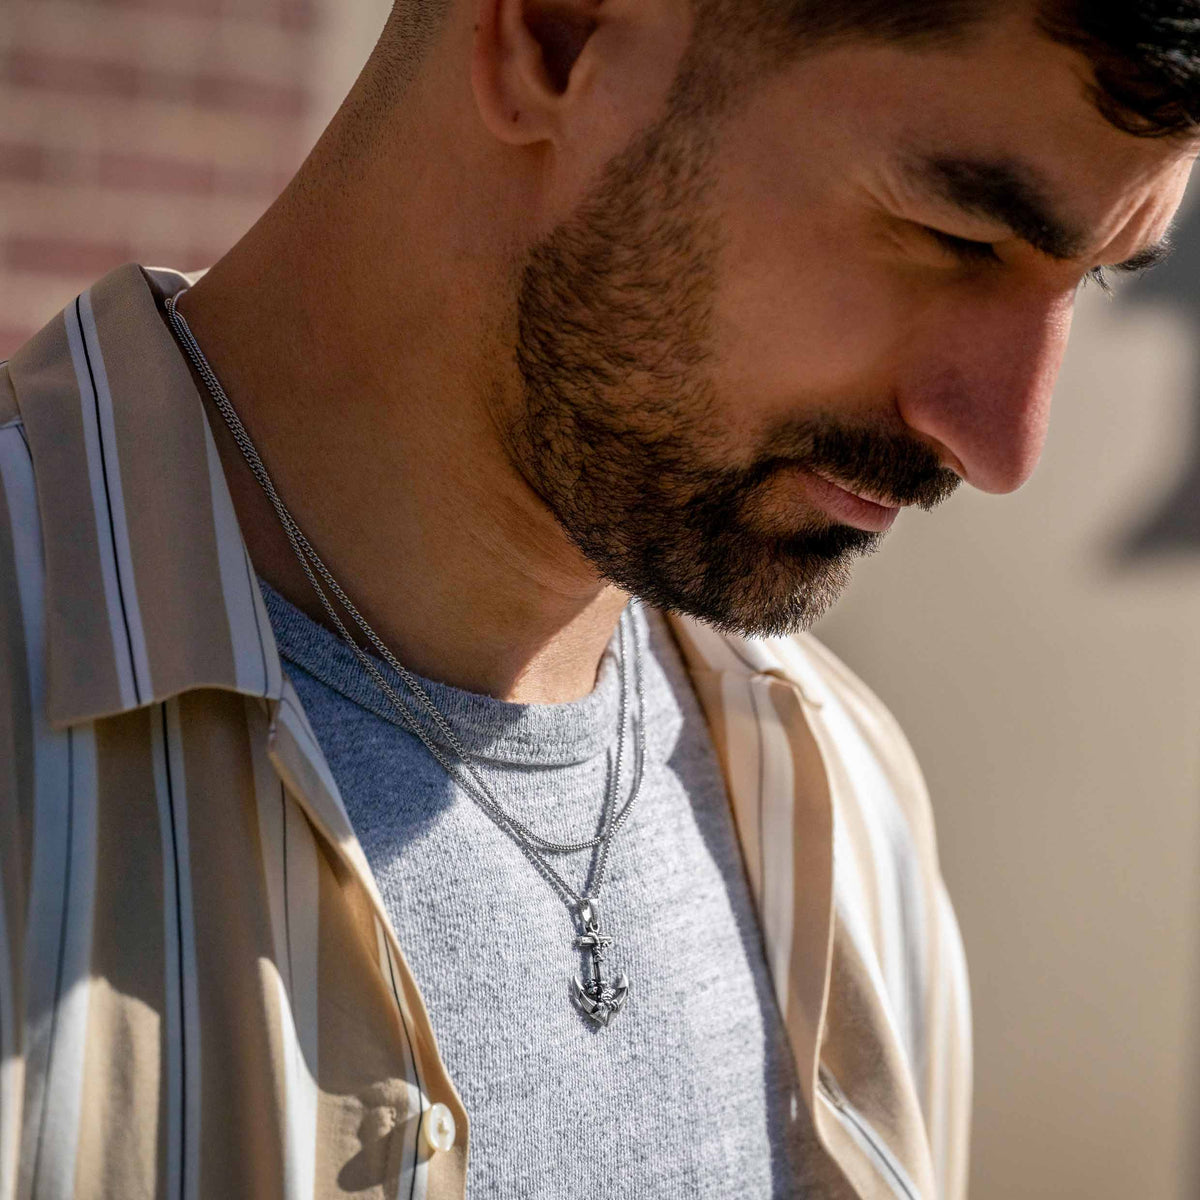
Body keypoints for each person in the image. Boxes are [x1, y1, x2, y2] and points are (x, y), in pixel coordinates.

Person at [1, 1, 1195, 1197]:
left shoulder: (847, 808)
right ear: (560, 39)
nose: (1002, 442)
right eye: (959, 234)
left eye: (1086, 283)